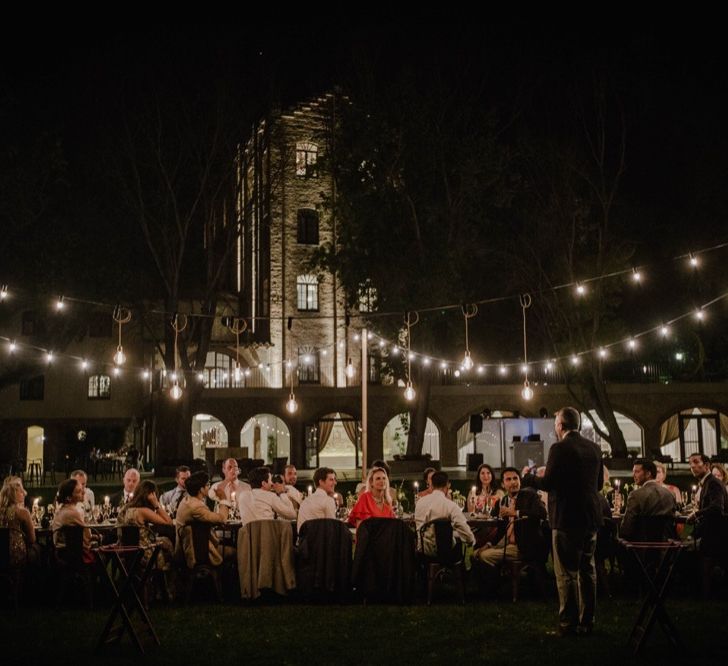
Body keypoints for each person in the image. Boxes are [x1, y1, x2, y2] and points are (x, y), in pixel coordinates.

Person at [530, 407, 603, 637]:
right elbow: (599, 484)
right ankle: (587, 620)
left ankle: (568, 623)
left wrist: (529, 477)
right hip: (590, 516)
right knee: (587, 570)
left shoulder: (559, 448)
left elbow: (549, 482)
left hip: (567, 517)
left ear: (561, 426)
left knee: (566, 573)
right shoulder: (594, 448)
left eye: (555, 423)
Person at [473, 467, 547, 569]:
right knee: (476, 553)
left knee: (484, 556)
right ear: (503, 484)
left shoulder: (529, 495)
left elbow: (542, 513)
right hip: (506, 544)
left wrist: (516, 513)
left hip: (523, 547)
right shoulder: (502, 501)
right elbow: (501, 529)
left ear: (520, 481)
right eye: (508, 479)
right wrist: (489, 544)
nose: (513, 482)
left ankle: (500, 580)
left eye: (515, 478)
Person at [175, 471, 231, 568]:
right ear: (201, 489)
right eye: (208, 484)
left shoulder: (187, 500)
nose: (209, 487)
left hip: (193, 547)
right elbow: (222, 519)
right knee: (235, 552)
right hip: (198, 552)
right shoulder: (196, 506)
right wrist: (223, 498)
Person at [117, 479, 174, 570]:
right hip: (143, 554)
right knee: (169, 544)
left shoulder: (125, 508)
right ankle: (166, 578)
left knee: (164, 540)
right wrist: (156, 504)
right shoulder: (143, 511)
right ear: (151, 495)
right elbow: (169, 522)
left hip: (125, 552)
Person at [415, 471, 475, 555]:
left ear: (431, 485)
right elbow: (464, 529)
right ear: (447, 485)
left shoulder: (419, 502)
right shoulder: (450, 505)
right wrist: (471, 541)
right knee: (457, 541)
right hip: (445, 553)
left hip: (422, 550)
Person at [620, 459, 677, 541]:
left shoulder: (635, 495)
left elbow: (626, 529)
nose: (633, 475)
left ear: (648, 474)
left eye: (637, 472)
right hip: (666, 547)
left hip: (640, 547)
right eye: (633, 472)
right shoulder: (670, 494)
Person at [52, 478, 94, 563]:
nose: (84, 492)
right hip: (71, 556)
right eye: (79, 491)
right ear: (69, 498)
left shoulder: (62, 509)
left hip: (62, 553)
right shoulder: (72, 513)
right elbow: (87, 537)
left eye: (82, 489)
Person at [0, 476, 36, 567]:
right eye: (21, 491)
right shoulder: (22, 512)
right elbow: (32, 539)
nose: (25, 493)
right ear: (13, 493)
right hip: (16, 555)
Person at [297, 467, 337, 532]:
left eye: (335, 480)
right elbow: (332, 528)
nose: (335, 483)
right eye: (331, 480)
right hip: (321, 541)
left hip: (304, 541)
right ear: (321, 482)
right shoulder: (328, 501)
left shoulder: (305, 501)